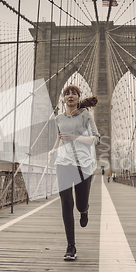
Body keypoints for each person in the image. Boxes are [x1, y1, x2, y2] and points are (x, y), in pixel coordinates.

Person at [48, 85, 100, 261]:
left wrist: (76, 138)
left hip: (83, 165)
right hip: (63, 162)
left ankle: (84, 210)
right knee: (66, 203)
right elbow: (60, 136)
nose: (70, 96)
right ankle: (71, 246)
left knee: (79, 204)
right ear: (64, 98)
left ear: (78, 97)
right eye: (67, 94)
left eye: (73, 94)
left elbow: (97, 138)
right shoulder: (58, 118)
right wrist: (54, 149)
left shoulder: (85, 116)